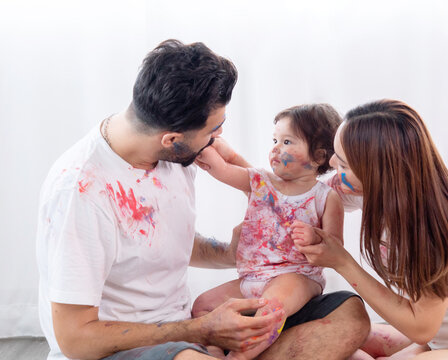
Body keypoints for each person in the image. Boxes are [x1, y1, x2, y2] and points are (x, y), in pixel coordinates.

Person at [36, 39, 370, 360]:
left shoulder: (175, 155)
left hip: (188, 329)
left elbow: (152, 240)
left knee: (350, 315)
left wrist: (232, 252)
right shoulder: (82, 192)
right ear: (172, 139)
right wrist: (201, 330)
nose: (218, 138)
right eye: (213, 129)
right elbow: (75, 338)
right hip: (124, 346)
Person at [291, 99, 448, 360]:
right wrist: (253, 177)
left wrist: (342, 262)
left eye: (343, 165)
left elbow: (421, 328)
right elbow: (299, 198)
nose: (331, 164)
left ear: (377, 172)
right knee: (339, 337)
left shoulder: (439, 223)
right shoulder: (379, 188)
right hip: (443, 338)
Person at [192, 104, 345, 359]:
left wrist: (315, 237)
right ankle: (214, 352)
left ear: (318, 157)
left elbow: (336, 248)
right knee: (202, 306)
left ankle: (240, 357)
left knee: (271, 310)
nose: (275, 148)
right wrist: (206, 149)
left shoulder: (325, 197)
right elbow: (224, 170)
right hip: (252, 277)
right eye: (275, 140)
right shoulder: (260, 181)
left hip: (296, 276)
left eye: (287, 141)